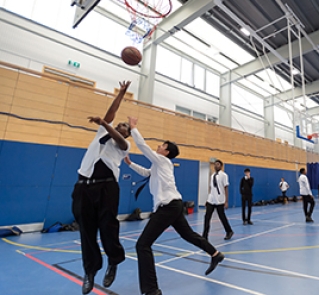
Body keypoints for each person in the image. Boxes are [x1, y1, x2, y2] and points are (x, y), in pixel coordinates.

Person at [125, 117, 224, 295]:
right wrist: (130, 164)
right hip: (174, 205)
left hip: (168, 207)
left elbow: (143, 147)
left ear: (166, 152)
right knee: (188, 235)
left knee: (143, 245)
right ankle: (216, 254)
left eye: (162, 146)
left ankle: (151, 290)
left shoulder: (163, 161)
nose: (158, 147)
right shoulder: (159, 165)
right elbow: (147, 172)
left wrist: (133, 128)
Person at [72, 81, 131, 294]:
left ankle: (113, 261)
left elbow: (118, 137)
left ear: (126, 134)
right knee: (86, 232)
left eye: (124, 128)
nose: (119, 127)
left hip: (107, 188)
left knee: (108, 227)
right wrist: (122, 92)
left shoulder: (124, 145)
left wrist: (107, 125)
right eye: (118, 125)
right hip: (83, 187)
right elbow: (112, 112)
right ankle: (90, 272)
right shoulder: (101, 134)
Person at [203, 160, 234, 240]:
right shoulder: (212, 175)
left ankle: (229, 231)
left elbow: (226, 188)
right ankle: (205, 235)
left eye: (218, 164)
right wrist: (208, 199)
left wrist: (226, 201)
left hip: (220, 199)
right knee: (207, 217)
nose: (216, 166)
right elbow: (211, 188)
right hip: (211, 199)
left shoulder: (224, 175)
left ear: (221, 166)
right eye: (215, 164)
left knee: (222, 217)